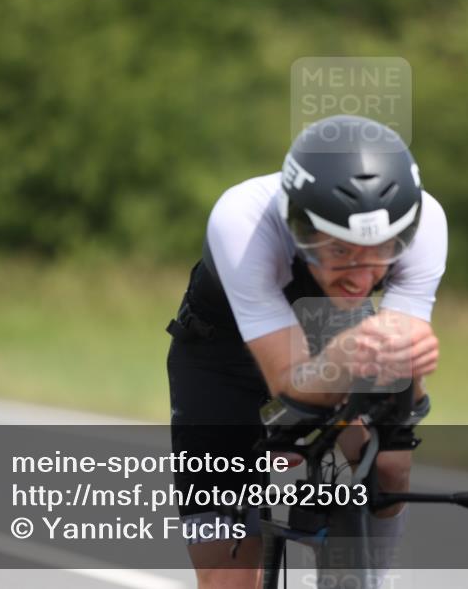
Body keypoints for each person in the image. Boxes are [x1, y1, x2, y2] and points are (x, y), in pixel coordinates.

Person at [166, 114, 447, 588]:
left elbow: (401, 394)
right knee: (226, 578)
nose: (362, 278)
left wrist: (409, 368)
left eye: (382, 253)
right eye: (338, 252)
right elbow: (290, 386)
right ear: (298, 227)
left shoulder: (426, 223)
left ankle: (374, 580)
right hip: (222, 356)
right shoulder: (242, 221)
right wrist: (351, 356)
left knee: (390, 461)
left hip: (335, 330)